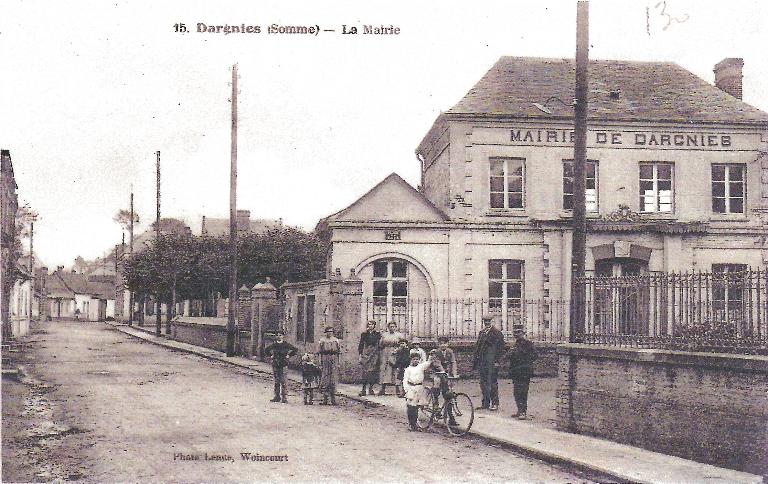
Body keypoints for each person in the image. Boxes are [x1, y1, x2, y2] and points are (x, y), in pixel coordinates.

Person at [472, 315, 505, 410]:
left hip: (492, 362)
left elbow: (501, 349)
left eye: (488, 321)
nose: (486, 323)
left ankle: (495, 403)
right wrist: (476, 361)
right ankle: (485, 403)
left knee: (492, 383)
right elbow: (478, 347)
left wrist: (497, 361)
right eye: (485, 321)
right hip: (483, 362)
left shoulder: (497, 333)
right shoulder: (482, 333)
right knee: (483, 383)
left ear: (491, 321)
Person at [506, 328, 538, 420]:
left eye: (518, 332)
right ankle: (519, 410)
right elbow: (509, 356)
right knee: (516, 392)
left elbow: (535, 355)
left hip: (524, 371)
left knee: (523, 392)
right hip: (516, 371)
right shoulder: (515, 345)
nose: (516, 334)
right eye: (515, 332)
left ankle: (523, 412)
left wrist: (525, 360)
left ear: (523, 333)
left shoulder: (528, 344)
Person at [264, 330, 298, 403]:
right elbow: (266, 350)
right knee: (277, 381)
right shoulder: (274, 344)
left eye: (280, 335)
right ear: (276, 336)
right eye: (277, 335)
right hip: (275, 364)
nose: (279, 337)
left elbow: (295, 350)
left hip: (283, 364)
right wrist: (271, 355)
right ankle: (277, 396)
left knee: (284, 381)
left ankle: (284, 397)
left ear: (283, 336)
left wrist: (288, 355)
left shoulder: (286, 344)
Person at [402, 353, 433, 431]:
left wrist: (431, 356)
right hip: (411, 388)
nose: (416, 361)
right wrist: (407, 390)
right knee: (410, 407)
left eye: (417, 359)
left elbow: (428, 363)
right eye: (414, 359)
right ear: (411, 360)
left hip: (419, 387)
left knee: (416, 407)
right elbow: (405, 380)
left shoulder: (420, 367)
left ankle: (415, 424)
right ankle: (411, 424)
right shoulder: (408, 369)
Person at [377, 322, 405, 395]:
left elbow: (403, 345)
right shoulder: (384, 335)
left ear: (396, 327)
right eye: (390, 326)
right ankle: (382, 389)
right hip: (385, 353)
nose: (392, 328)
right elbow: (380, 345)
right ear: (388, 327)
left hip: (395, 353)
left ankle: (397, 389)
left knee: (395, 370)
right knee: (385, 370)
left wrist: (397, 350)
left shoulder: (399, 335)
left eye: (393, 326)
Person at [318, 326, 341, 405]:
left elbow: (339, 352)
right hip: (325, 359)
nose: (329, 333)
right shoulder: (322, 341)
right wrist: (320, 363)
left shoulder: (336, 341)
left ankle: (333, 399)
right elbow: (319, 352)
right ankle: (325, 399)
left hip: (334, 360)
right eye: (328, 331)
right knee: (325, 379)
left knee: (333, 379)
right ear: (325, 332)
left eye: (331, 331)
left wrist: (338, 363)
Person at [357, 320, 381, 396]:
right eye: (369, 324)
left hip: (374, 354)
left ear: (374, 326)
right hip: (366, 353)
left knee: (373, 371)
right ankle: (363, 389)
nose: (370, 326)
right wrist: (360, 354)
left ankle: (371, 389)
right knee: (365, 371)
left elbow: (379, 344)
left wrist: (377, 354)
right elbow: (361, 344)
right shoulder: (364, 334)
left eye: (372, 324)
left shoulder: (377, 334)